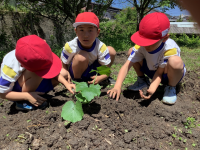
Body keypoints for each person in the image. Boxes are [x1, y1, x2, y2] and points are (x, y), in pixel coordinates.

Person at [107, 12, 186, 105]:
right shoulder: (141, 46)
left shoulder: (170, 48)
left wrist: (151, 90)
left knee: (175, 61)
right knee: (131, 51)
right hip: (152, 70)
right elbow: (126, 66)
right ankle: (142, 81)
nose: (146, 45)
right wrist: (117, 86)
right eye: (143, 41)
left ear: (164, 38)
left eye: (151, 42)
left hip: (168, 74)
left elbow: (159, 73)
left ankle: (171, 87)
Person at [0, 35, 75, 110]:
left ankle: (38, 95)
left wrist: (66, 84)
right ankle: (23, 102)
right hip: (16, 92)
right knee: (35, 73)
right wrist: (27, 96)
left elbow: (52, 71)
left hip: (30, 81)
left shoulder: (37, 48)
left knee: (63, 73)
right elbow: (2, 94)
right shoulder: (10, 67)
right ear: (23, 65)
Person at [60, 12, 116, 85]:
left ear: (97, 32)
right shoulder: (70, 46)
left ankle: (102, 79)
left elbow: (106, 67)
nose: (86, 35)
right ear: (76, 31)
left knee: (111, 50)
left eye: (90, 30)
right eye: (81, 30)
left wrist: (103, 76)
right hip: (77, 71)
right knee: (82, 56)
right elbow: (63, 63)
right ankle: (77, 82)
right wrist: (66, 75)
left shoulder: (101, 47)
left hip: (93, 71)